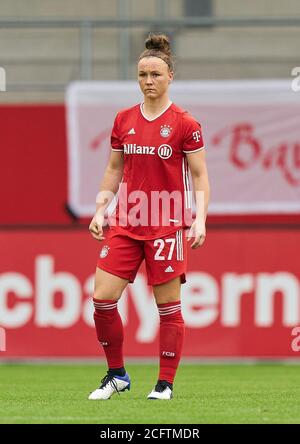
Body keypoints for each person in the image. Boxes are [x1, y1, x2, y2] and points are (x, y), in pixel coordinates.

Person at [88, 33, 210, 400]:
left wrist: (200, 218)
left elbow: (201, 175)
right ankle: (116, 375)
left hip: (165, 224)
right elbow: (114, 169)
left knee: (168, 308)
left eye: (155, 74)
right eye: (142, 75)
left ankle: (165, 383)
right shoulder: (123, 119)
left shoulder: (185, 123)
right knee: (102, 300)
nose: (148, 81)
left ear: (170, 76)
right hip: (126, 222)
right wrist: (101, 208)